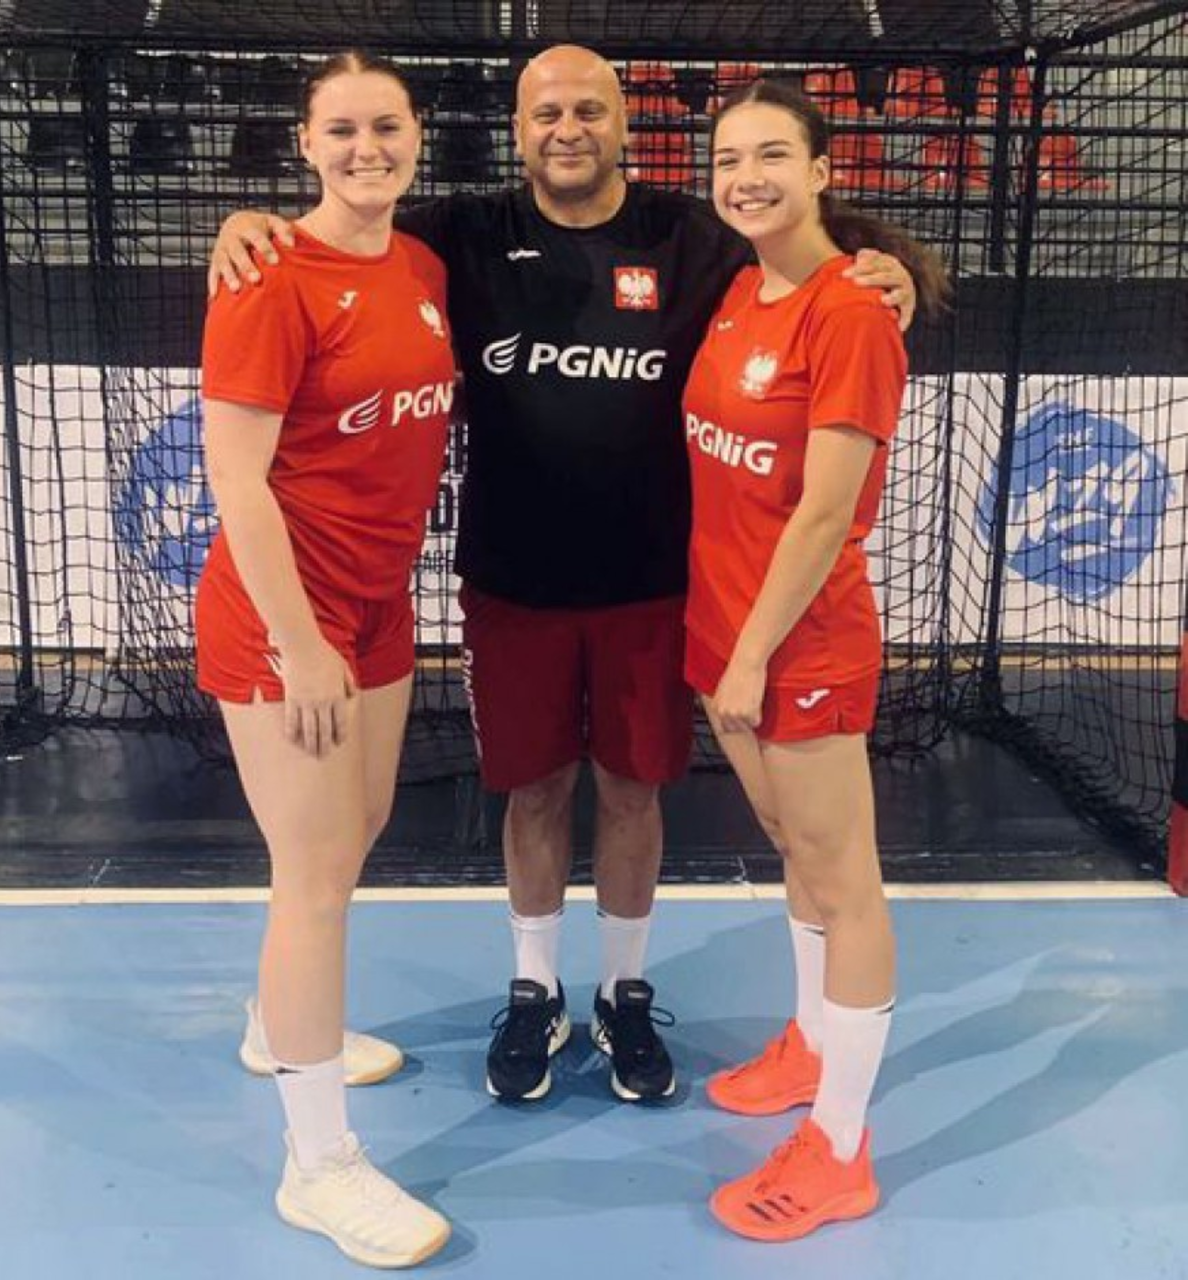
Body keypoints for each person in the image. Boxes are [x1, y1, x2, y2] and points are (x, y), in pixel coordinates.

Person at [209, 45, 917, 1106]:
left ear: (626, 125)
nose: (568, 128)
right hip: (512, 580)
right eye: (546, 113)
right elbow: (339, 227)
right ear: (517, 128)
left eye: (590, 109)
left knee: (632, 794)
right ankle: (534, 989)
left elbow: (800, 255)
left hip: (651, 585)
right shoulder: (455, 236)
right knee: (531, 793)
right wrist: (240, 223)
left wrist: (881, 267)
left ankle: (624, 990)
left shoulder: (695, 238)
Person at [197, 50, 454, 1267]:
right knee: (310, 875)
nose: (366, 148)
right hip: (282, 615)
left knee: (356, 830)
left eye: (385, 126)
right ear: (304, 143)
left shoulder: (421, 268)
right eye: (341, 129)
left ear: (417, 134)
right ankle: (317, 1164)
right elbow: (236, 478)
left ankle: (275, 1026)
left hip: (378, 601)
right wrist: (297, 642)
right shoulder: (265, 278)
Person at [682, 79, 949, 1241]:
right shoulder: (742, 289)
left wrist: (749, 655)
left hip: (796, 642)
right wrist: (723, 646)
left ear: (823, 169)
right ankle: (807, 1042)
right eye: (727, 158)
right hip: (723, 628)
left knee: (845, 883)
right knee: (792, 846)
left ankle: (840, 1145)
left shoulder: (849, 314)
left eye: (771, 155)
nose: (745, 177)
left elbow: (824, 512)